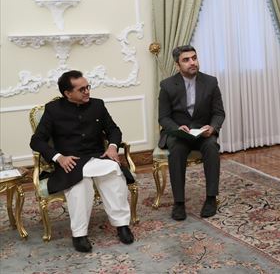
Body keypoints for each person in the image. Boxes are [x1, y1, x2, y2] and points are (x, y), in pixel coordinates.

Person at [30, 70, 135, 253]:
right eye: (81, 89)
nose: (87, 91)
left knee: (113, 172)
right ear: (67, 93)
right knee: (80, 184)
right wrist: (58, 157)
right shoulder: (53, 110)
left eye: (87, 87)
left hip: (97, 156)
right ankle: (79, 234)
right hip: (71, 161)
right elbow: (36, 140)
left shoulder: (98, 105)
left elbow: (114, 130)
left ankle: (122, 225)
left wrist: (111, 147)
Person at [158, 45, 225, 220]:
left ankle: (211, 198)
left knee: (212, 147)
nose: (192, 62)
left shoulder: (211, 82)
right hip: (179, 133)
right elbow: (163, 118)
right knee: (177, 151)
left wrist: (212, 127)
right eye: (186, 60)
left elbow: (219, 113)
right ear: (177, 65)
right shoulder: (167, 85)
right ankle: (179, 203)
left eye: (194, 58)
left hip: (203, 133)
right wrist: (176, 128)